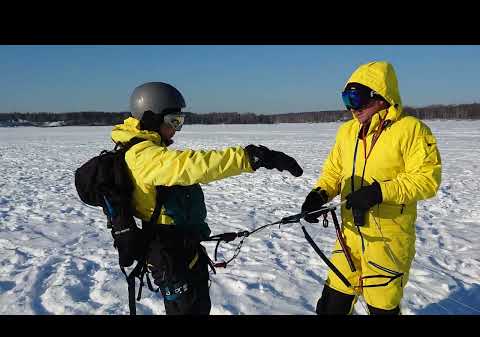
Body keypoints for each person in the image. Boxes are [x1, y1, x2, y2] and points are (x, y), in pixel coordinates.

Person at [111, 81, 303, 315]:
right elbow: (194, 165)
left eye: (180, 122)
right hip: (168, 249)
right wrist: (251, 157)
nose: (176, 130)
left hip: (179, 245)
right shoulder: (144, 155)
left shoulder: (146, 150)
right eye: (173, 121)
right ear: (151, 117)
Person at [301, 61, 442, 315]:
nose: (351, 108)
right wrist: (319, 194)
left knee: (382, 309)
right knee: (331, 306)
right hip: (348, 237)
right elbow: (334, 171)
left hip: (387, 239)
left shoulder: (411, 130)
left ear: (380, 96)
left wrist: (379, 192)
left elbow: (426, 179)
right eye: (346, 99)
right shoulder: (347, 132)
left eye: (356, 98)